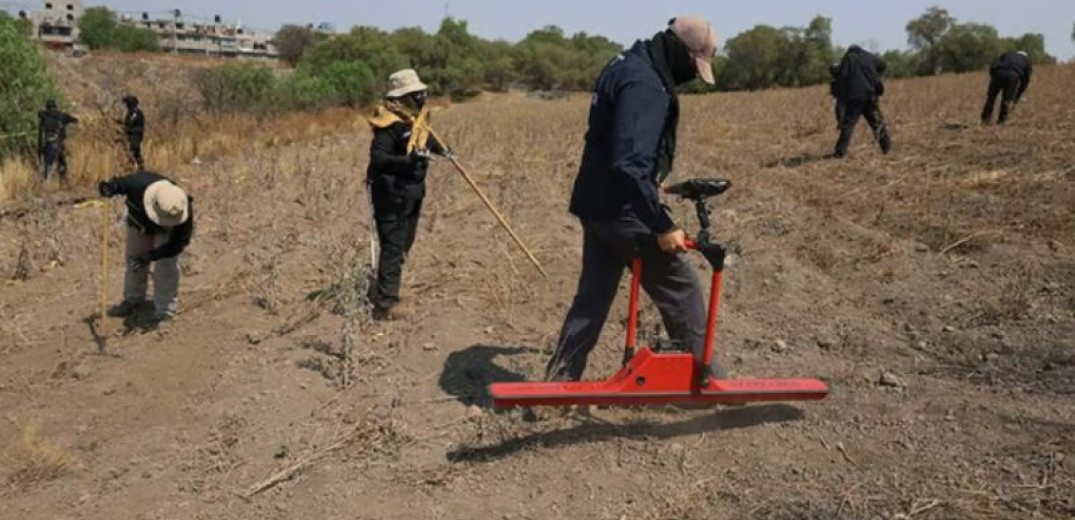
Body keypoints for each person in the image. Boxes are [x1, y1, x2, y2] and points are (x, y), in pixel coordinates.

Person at [544, 15, 725, 383]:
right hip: (622, 208)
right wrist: (662, 223)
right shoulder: (646, 84)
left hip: (596, 202)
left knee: (592, 297)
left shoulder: (625, 63)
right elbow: (628, 164)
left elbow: (617, 146)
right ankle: (706, 382)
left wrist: (650, 187)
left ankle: (558, 384)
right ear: (680, 50)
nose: (691, 76)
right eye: (693, 66)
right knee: (681, 287)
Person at [365, 69, 452, 320]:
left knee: (404, 243)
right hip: (390, 192)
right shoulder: (388, 124)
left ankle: (386, 287)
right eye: (417, 94)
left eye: (422, 92)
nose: (423, 97)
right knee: (392, 245)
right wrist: (408, 161)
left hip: (412, 190)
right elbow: (378, 159)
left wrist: (443, 150)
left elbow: (426, 140)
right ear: (403, 97)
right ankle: (385, 305)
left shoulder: (416, 120)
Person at [97, 171, 194, 323]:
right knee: (134, 262)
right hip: (139, 225)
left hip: (167, 233)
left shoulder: (181, 207)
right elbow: (121, 184)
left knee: (166, 268)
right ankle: (132, 301)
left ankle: (165, 310)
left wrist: (150, 256)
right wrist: (110, 187)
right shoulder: (139, 183)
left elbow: (177, 244)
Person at [832, 45, 891, 158]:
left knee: (848, 124)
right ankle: (887, 148)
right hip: (870, 96)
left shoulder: (848, 59)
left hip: (855, 98)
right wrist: (876, 74)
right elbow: (882, 65)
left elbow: (842, 77)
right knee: (877, 123)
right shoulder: (869, 57)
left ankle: (840, 152)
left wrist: (841, 101)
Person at [981, 50, 1032, 125]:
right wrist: (1017, 96)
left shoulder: (1007, 54)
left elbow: (994, 63)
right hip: (1013, 76)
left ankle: (985, 119)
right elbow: (1025, 81)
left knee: (991, 97)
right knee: (1006, 99)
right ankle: (1001, 121)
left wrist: (993, 74)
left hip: (998, 73)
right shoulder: (1026, 61)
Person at [37, 99, 78, 182]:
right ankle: (63, 180)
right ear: (56, 107)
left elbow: (40, 134)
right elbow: (74, 120)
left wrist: (39, 150)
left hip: (47, 143)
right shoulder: (61, 116)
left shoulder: (43, 117)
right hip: (59, 144)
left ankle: (46, 181)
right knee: (61, 162)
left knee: (48, 164)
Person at [119, 95, 146, 169]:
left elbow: (131, 123)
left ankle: (133, 167)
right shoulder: (131, 113)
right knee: (136, 152)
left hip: (135, 134)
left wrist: (126, 129)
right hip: (132, 134)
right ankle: (140, 167)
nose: (126, 106)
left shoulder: (136, 113)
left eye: (127, 103)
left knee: (132, 150)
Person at [828, 62, 844, 126]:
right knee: (838, 109)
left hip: (841, 98)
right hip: (839, 98)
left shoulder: (834, 82)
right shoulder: (834, 82)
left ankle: (841, 123)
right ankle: (841, 123)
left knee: (839, 109)